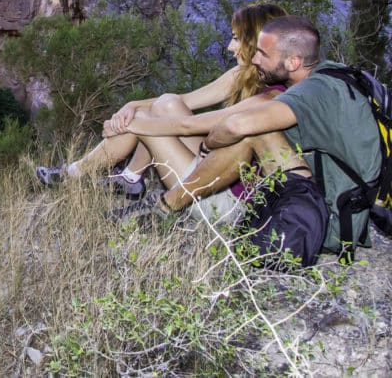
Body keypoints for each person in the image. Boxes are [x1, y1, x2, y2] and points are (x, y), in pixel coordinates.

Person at [137, 16, 381, 266]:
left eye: (263, 54)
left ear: (293, 62)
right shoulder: (334, 75)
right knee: (256, 130)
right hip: (332, 202)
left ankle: (167, 205)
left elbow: (237, 125)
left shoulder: (311, 93)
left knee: (252, 130)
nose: (254, 59)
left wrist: (208, 145)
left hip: (323, 219)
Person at [36, 3, 288, 214]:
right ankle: (129, 178)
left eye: (236, 39)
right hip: (214, 170)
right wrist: (131, 106)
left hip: (222, 196)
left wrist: (131, 125)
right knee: (166, 103)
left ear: (257, 43)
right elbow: (185, 101)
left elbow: (187, 125)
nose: (230, 47)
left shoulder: (273, 96)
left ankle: (92, 176)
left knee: (147, 120)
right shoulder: (243, 74)